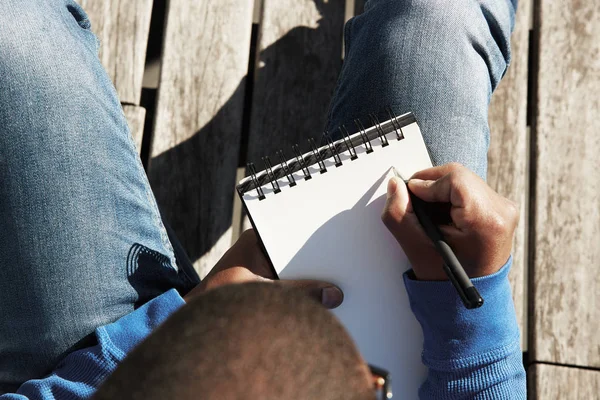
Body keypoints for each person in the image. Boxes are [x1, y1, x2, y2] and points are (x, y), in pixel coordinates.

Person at [0, 0, 525, 398]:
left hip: (129, 376)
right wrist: (474, 317)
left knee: (15, 33)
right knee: (437, 18)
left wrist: (179, 331)